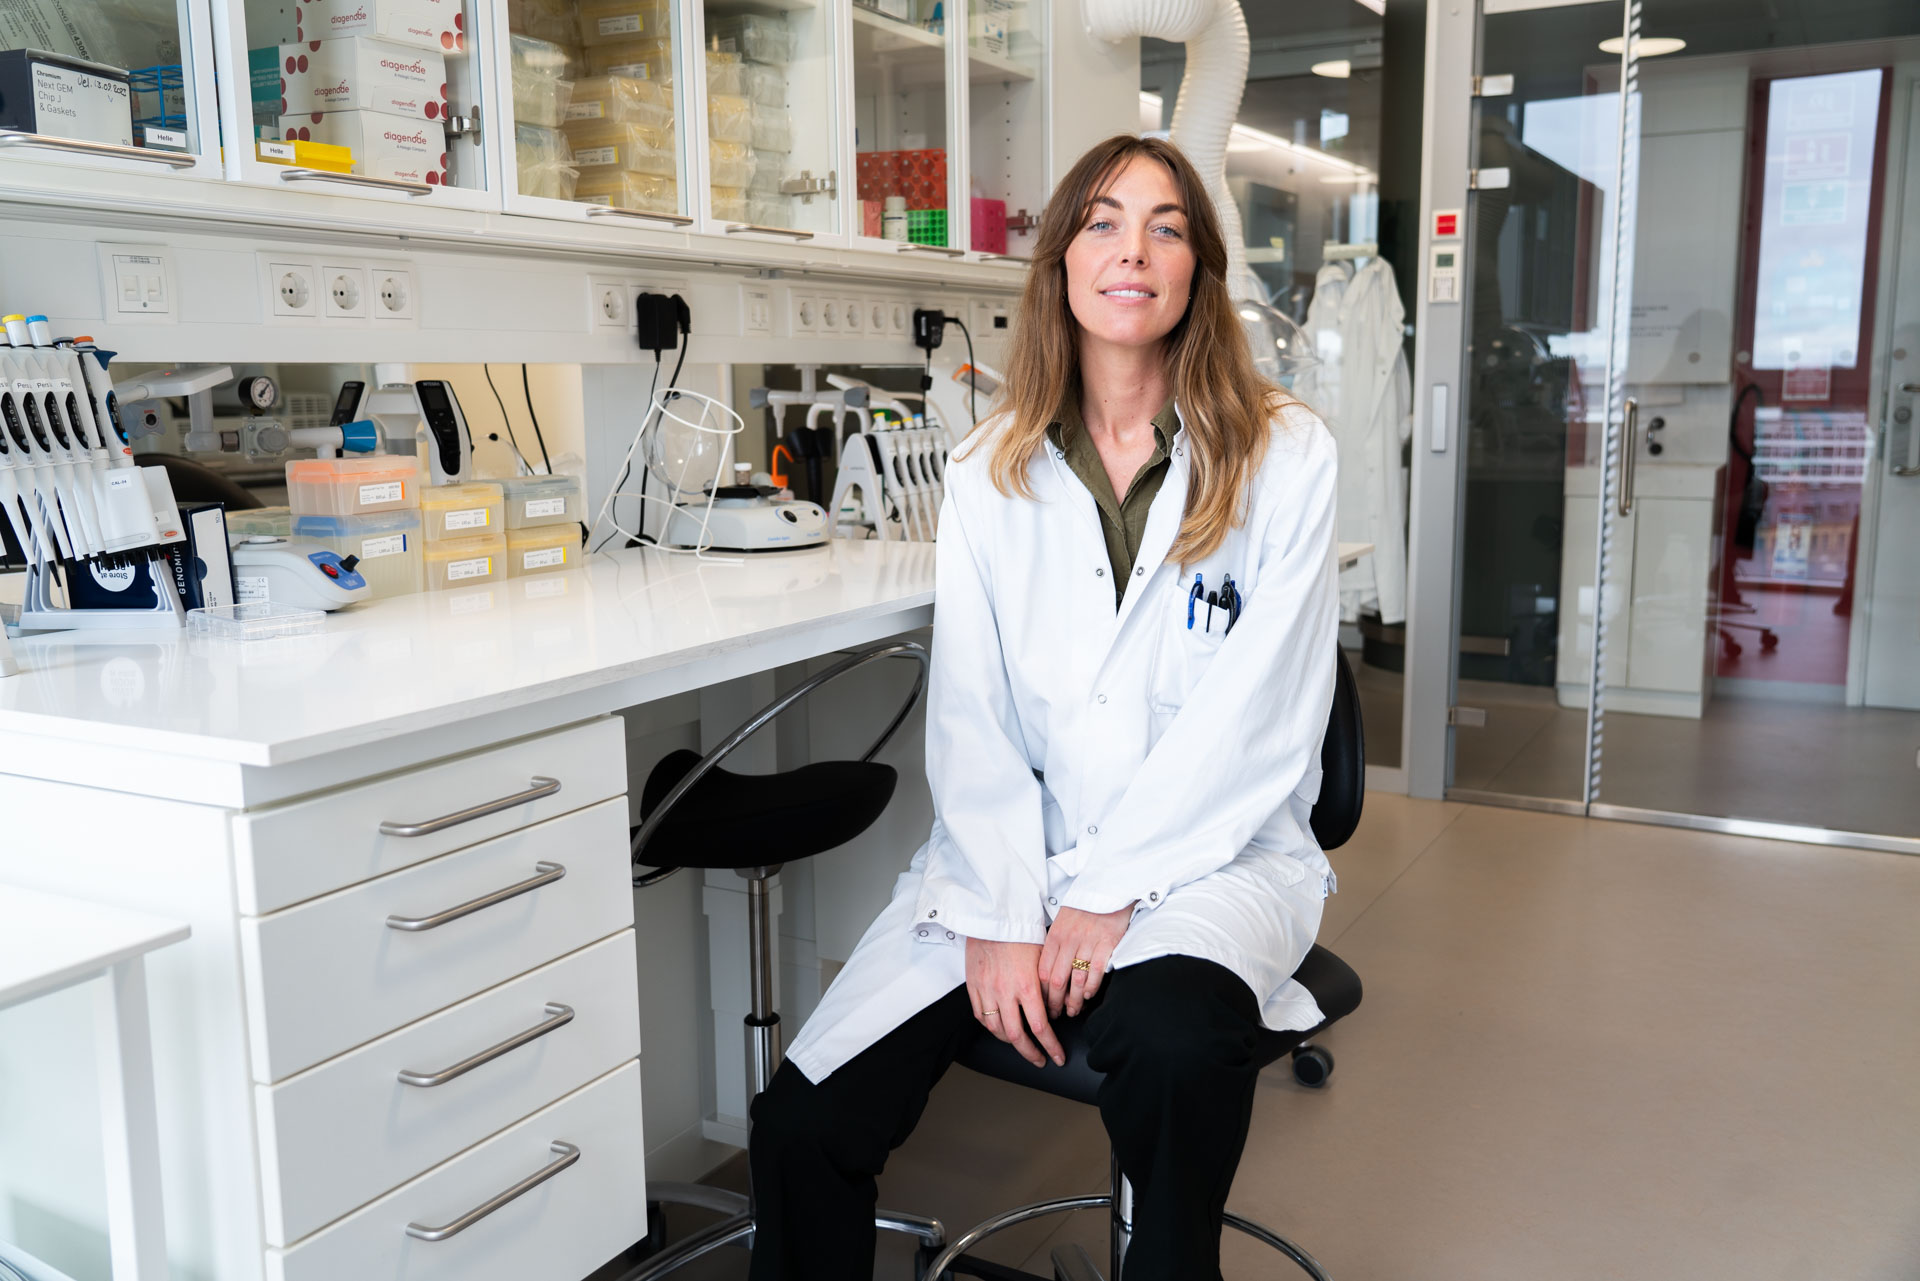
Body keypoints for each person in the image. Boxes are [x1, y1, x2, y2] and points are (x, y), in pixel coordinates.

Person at [749, 134, 1340, 1281]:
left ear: (1198, 271)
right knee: (802, 1128)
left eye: (1167, 227)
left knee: (1170, 1048)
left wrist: (1109, 896)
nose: (1134, 251)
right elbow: (971, 719)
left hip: (1210, 862)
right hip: (1013, 855)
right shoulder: (988, 471)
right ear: (1062, 261)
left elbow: (1259, 717)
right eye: (1104, 222)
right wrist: (1008, 910)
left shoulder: (1284, 454)